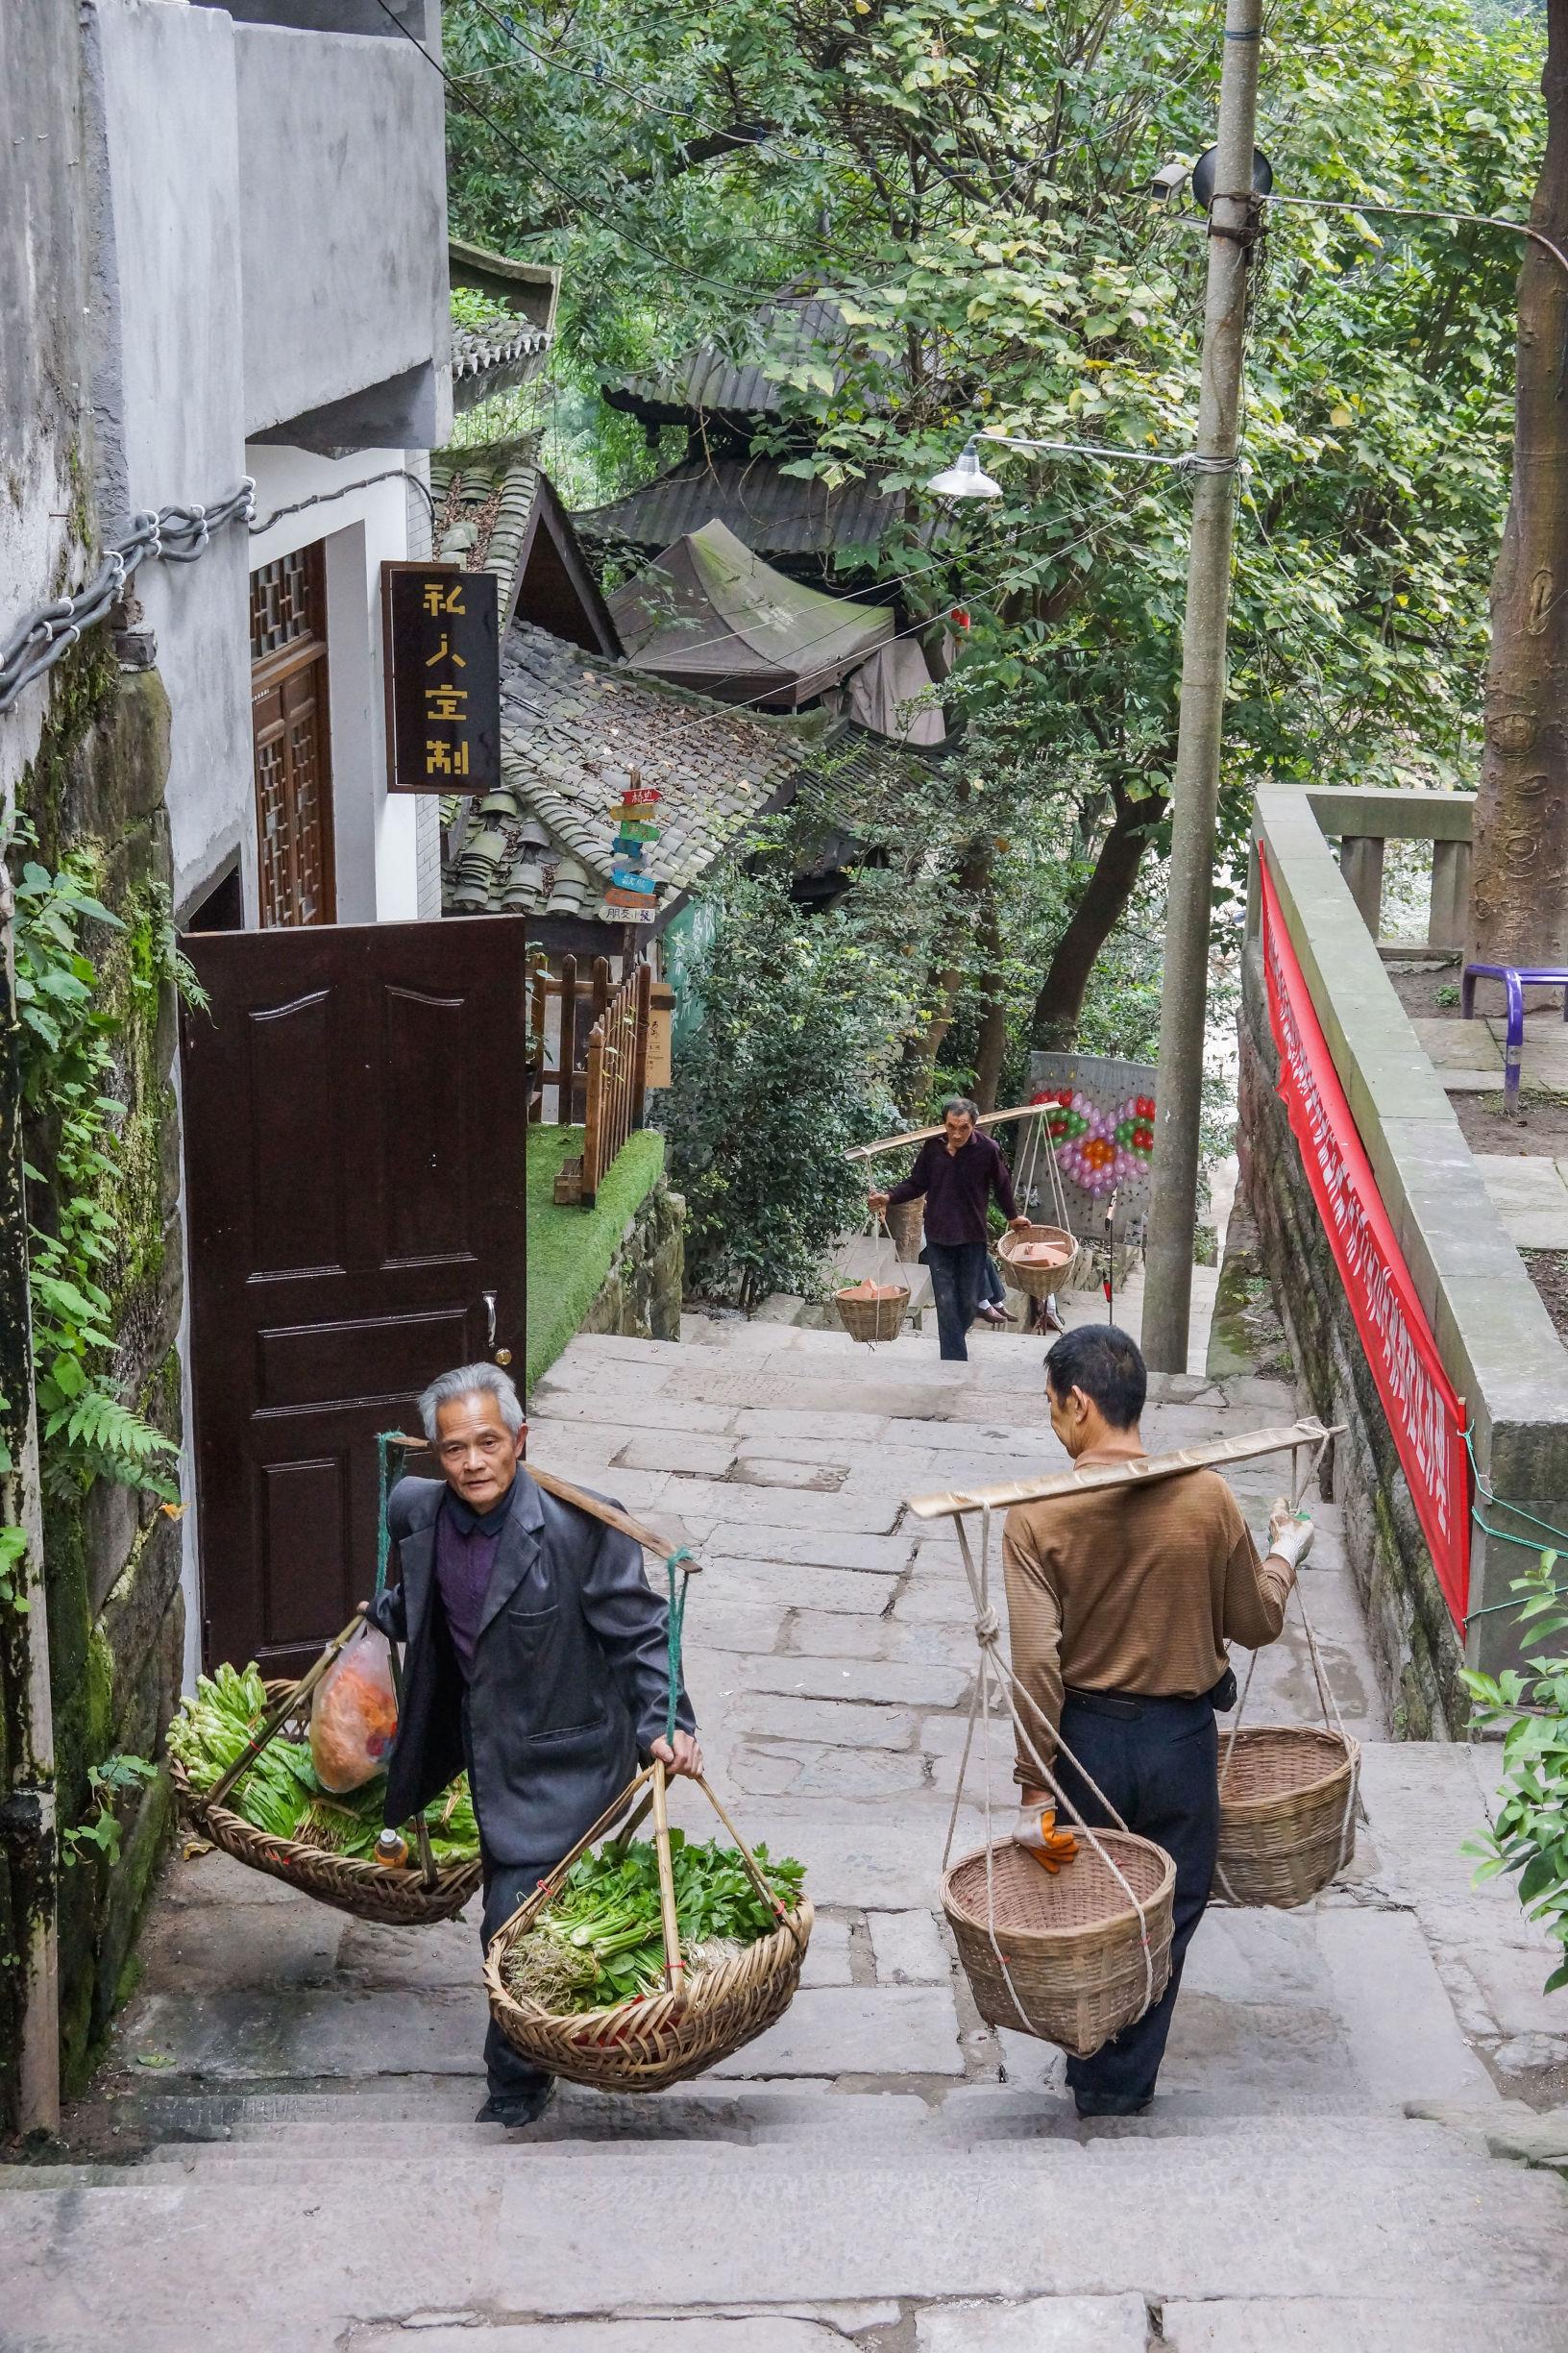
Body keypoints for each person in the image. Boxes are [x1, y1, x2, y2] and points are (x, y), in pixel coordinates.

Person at [365, 1361, 700, 2128]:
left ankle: (516, 2084)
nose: (473, 1462)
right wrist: (384, 1618)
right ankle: (555, 2037)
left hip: (566, 1754)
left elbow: (642, 1632)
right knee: (533, 1906)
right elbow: (430, 1596)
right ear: (434, 1451)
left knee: (509, 1914)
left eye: (489, 1442)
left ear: (521, 1438)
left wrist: (667, 1720)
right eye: (454, 1449)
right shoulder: (417, 1510)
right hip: (482, 1752)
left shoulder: (581, 1525)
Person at [1001, 1324, 1313, 2118]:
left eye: (1050, 1404)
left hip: (1084, 1743)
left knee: (1089, 1907)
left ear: (1079, 1404)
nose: (1051, 1421)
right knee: (1170, 1908)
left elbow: (1037, 1664)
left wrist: (1036, 1783)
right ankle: (1122, 2078)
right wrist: (1284, 1554)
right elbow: (1255, 1620)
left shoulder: (1037, 1516)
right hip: (1180, 1743)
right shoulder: (1207, 1496)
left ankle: (1094, 2065)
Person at [870, 1097, 1032, 1361]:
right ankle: (954, 1363)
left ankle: (956, 1343)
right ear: (944, 1123)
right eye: (951, 1126)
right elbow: (916, 1182)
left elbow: (1002, 1186)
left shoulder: (988, 1150)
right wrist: (889, 1197)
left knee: (968, 1304)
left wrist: (1012, 1217)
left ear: (974, 1126)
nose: (956, 1134)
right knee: (945, 1301)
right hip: (938, 1236)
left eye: (963, 1128)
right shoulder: (933, 1147)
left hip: (972, 1236)